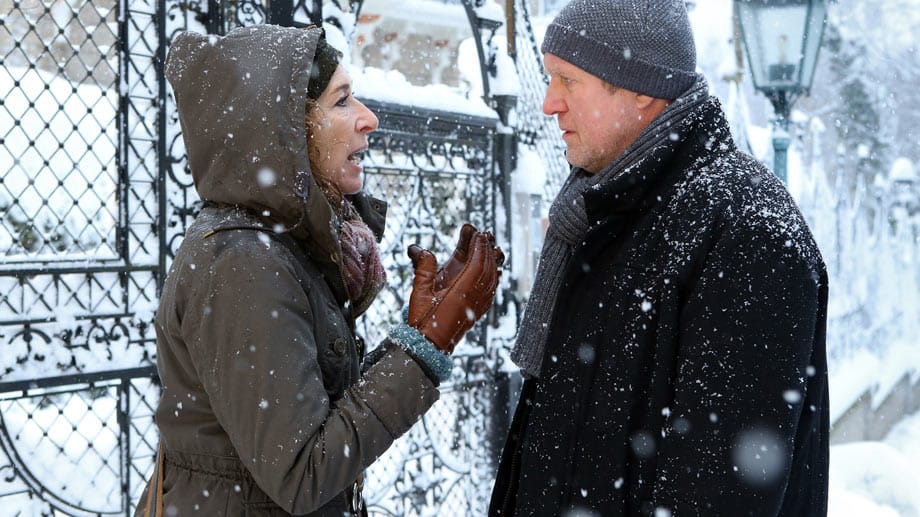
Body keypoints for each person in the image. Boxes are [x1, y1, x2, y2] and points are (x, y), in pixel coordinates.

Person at [136, 24, 504, 516]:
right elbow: (303, 472)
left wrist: (417, 339)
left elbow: (315, 417)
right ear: (284, 131)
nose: (369, 119)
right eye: (342, 101)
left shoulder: (281, 245)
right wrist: (426, 350)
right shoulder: (245, 262)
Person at [489, 1, 829, 515]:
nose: (549, 103)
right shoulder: (602, 215)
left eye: (567, 81)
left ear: (641, 87)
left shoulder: (744, 232)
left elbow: (720, 494)